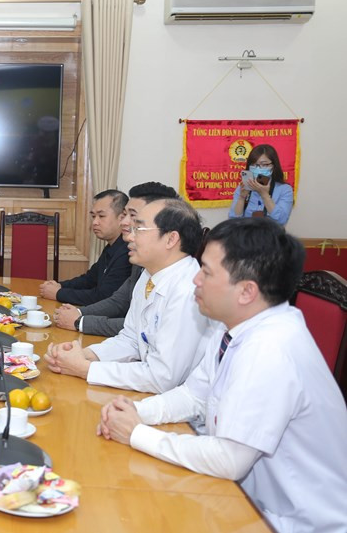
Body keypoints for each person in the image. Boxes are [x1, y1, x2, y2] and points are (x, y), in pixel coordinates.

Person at [97, 218, 347, 533]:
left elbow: (230, 460)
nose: (195, 280)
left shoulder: (271, 349)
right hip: (246, 500)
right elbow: (194, 394)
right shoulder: (234, 324)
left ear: (246, 291)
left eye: (207, 272)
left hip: (294, 522)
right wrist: (135, 412)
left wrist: (136, 433)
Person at [45, 198, 210, 393]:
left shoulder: (188, 290)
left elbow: (162, 378)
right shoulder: (148, 274)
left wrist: (85, 369)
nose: (129, 237)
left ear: (171, 239)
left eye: (138, 229)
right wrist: (86, 354)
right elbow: (131, 339)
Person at [54, 182, 179, 336]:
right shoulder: (143, 262)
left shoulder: (183, 285)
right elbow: (120, 302)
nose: (123, 222)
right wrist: (78, 313)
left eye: (133, 216)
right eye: (125, 215)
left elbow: (139, 328)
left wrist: (79, 321)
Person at [40, 190, 131, 306]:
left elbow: (103, 297)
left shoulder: (127, 251)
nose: (95, 222)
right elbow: (89, 280)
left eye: (101, 216)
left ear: (122, 218)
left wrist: (59, 293)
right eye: (93, 216)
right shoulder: (111, 247)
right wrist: (60, 285)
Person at [228, 143, 293, 225]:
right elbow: (233, 221)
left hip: (271, 236)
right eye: (254, 164)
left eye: (264, 164)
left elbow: (281, 220)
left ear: (273, 166)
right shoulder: (244, 187)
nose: (258, 168)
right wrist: (241, 198)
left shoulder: (284, 189)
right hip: (246, 236)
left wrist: (265, 196)